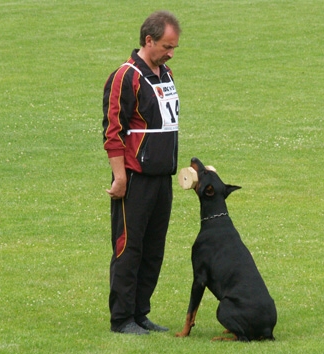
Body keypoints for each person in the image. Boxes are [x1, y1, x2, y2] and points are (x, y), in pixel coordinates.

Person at [102, 10, 181, 335]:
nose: (170, 52)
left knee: (153, 248)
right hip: (134, 179)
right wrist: (119, 177)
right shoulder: (125, 76)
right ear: (148, 41)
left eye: (174, 47)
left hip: (162, 179)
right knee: (129, 248)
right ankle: (122, 319)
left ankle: (140, 312)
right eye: (166, 45)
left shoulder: (165, 73)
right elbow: (113, 130)